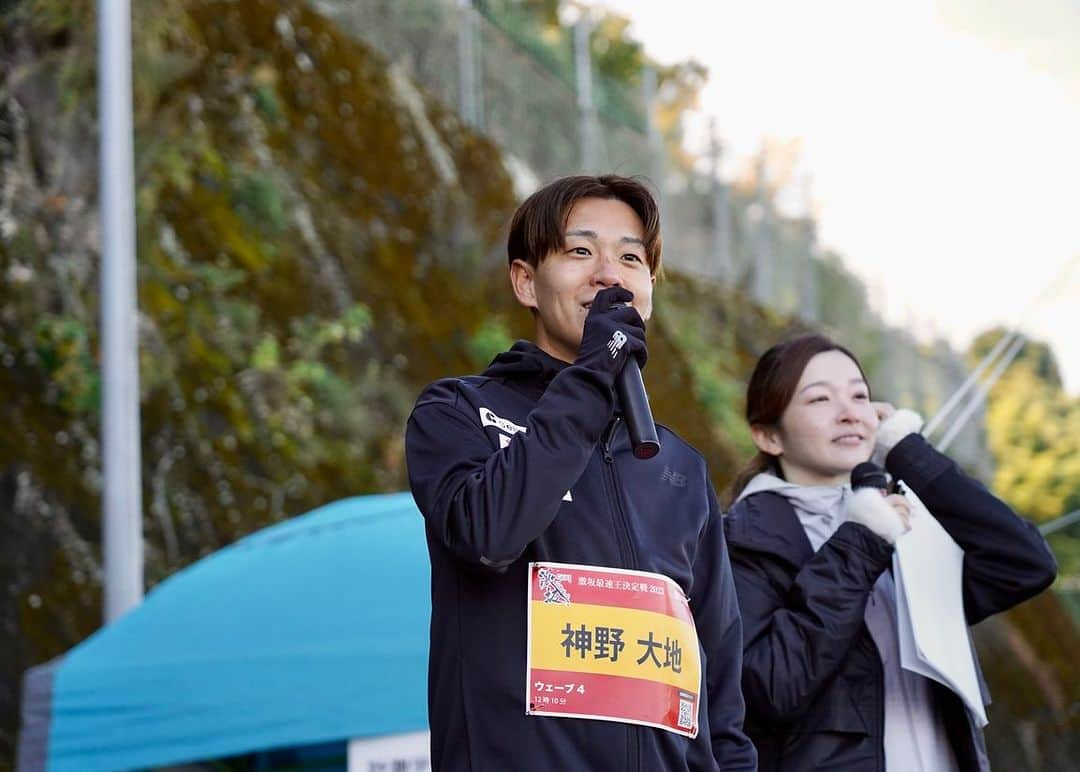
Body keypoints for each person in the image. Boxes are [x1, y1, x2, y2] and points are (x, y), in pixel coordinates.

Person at [406, 175, 756, 770]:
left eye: (630, 257)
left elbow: (716, 686)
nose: (608, 274)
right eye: (580, 250)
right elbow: (487, 534)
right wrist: (594, 375)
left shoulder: (679, 466)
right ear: (525, 281)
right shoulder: (458, 413)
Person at [723, 333, 1058, 771]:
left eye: (859, 396)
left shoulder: (907, 523)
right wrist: (860, 541)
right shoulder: (743, 538)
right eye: (820, 400)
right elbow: (769, 687)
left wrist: (905, 451)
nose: (849, 413)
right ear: (768, 436)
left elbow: (1025, 563)